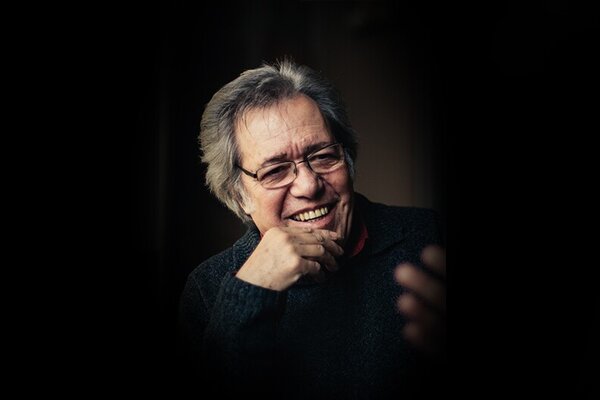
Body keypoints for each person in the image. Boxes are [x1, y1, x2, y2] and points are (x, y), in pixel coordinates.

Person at [178, 59, 446, 399]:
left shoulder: (430, 237)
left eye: (322, 155)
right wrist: (250, 293)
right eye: (275, 171)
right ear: (238, 195)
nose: (309, 186)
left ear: (347, 159)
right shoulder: (208, 289)